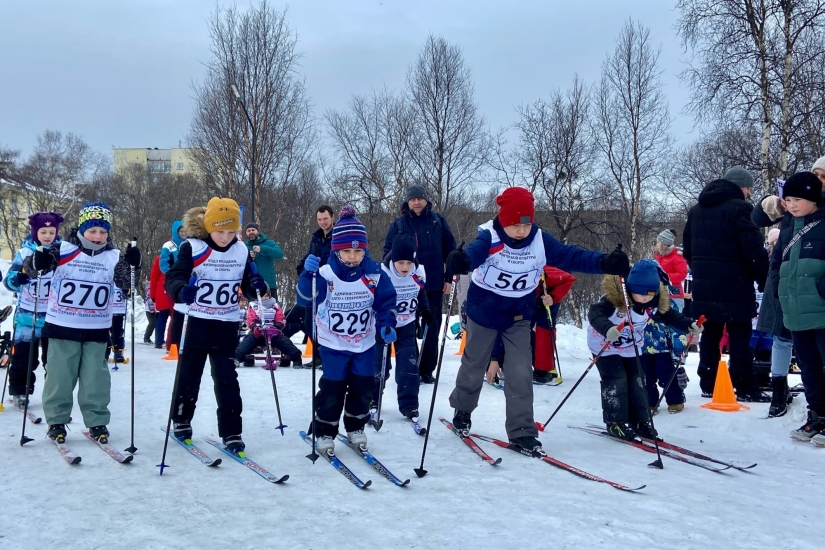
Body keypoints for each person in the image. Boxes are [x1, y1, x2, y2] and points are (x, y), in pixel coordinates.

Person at [445, 186, 630, 451]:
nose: (521, 231)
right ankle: (462, 410)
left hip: (518, 316)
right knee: (473, 366)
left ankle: (521, 431)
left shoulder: (540, 240)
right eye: (515, 225)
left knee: (521, 373)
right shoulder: (490, 236)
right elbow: (473, 254)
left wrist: (605, 263)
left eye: (526, 224)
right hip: (483, 313)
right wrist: (462, 261)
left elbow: (572, 256)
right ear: (504, 221)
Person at [32, 202, 141, 444]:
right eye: (93, 230)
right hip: (62, 326)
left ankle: (97, 421)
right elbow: (35, 269)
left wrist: (134, 264)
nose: (98, 236)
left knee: (96, 380)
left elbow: (128, 283)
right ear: (82, 229)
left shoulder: (113, 257)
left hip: (97, 328)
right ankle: (57, 421)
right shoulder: (63, 249)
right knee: (60, 377)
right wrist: (36, 261)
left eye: (103, 231)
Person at [165, 198, 267, 454]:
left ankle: (232, 431)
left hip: (226, 324)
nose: (225, 237)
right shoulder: (193, 247)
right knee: (189, 376)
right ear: (209, 227)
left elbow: (251, 287)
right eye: (220, 231)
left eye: (231, 232)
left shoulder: (241, 250)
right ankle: (181, 419)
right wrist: (180, 290)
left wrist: (258, 285)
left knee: (226, 379)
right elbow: (174, 277)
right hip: (197, 321)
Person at [297, 205, 397, 453]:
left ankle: (355, 426)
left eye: (358, 251)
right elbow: (303, 300)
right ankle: (325, 430)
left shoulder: (375, 274)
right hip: (332, 343)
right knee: (333, 387)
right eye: (346, 251)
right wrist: (306, 276)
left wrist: (386, 324)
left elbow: (387, 303)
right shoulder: (326, 273)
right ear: (336, 250)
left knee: (363, 386)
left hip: (364, 342)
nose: (353, 256)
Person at [683, 167, 771, 402]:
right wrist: (766, 281)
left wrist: (703, 270)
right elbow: (753, 249)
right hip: (736, 283)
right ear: (739, 187)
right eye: (748, 188)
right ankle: (744, 386)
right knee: (740, 335)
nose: (749, 192)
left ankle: (709, 383)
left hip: (705, 284)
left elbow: (688, 250)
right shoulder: (741, 209)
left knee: (710, 335)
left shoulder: (696, 210)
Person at [587, 260, 701, 440]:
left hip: (631, 346)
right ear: (631, 289)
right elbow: (595, 313)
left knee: (638, 381)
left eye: (651, 294)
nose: (647, 299)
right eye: (642, 294)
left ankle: (640, 421)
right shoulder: (614, 298)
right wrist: (607, 328)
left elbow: (669, 316)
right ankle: (615, 422)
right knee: (617, 379)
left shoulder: (653, 301)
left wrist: (689, 325)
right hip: (605, 344)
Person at [771, 172, 825, 444]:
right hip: (795, 309)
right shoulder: (789, 226)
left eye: (797, 199)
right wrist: (779, 287)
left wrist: (820, 290)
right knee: (808, 366)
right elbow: (777, 262)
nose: (791, 204)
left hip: (821, 309)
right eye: (788, 199)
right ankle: (817, 415)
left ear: (814, 200)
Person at [383, 185, 457, 384]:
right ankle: (411, 366)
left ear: (426, 201)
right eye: (413, 199)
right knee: (407, 328)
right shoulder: (398, 224)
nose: (417, 202)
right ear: (407, 202)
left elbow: (451, 250)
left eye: (420, 199)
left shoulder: (437, 221)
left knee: (431, 328)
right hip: (404, 288)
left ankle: (426, 369)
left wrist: (449, 277)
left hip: (432, 285)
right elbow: (387, 253)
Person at [2, 212, 63, 407]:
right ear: (35, 231)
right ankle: (20, 391)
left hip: (52, 315)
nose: (47, 236)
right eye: (43, 231)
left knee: (52, 359)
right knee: (24, 356)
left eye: (51, 232)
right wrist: (18, 279)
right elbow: (9, 281)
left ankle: (52, 394)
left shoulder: (60, 252)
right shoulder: (25, 252)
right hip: (28, 313)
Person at [372, 234, 431, 421]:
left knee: (409, 365)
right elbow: (375, 301)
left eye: (408, 262)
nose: (405, 267)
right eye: (401, 263)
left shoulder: (419, 271)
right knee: (379, 366)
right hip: (383, 326)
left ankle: (409, 405)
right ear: (394, 260)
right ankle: (371, 399)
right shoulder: (382, 274)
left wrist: (426, 310)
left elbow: (420, 292)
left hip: (406, 324)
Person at [756, 228, 795, 418]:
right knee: (784, 338)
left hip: (791, 285)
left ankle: (780, 393)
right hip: (784, 284)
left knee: (785, 339)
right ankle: (779, 391)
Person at [290, 205, 336, 368]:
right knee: (309, 322)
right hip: (314, 286)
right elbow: (310, 255)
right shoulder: (316, 237)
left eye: (325, 218)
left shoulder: (337, 236)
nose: (322, 222)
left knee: (327, 323)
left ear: (332, 217)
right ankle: (318, 355)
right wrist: (302, 269)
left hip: (330, 286)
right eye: (319, 219)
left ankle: (328, 357)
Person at [234, 291, 302, 368]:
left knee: (284, 342)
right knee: (248, 341)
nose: (265, 298)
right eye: (262, 296)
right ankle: (237, 358)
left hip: (273, 333)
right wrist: (255, 326)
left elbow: (280, 318)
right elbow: (250, 318)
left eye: (266, 296)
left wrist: (277, 326)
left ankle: (297, 359)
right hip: (258, 333)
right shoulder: (253, 306)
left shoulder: (275, 306)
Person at [159, 220, 185, 350]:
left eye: (186, 231)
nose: (183, 233)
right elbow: (163, 264)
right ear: (176, 232)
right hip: (173, 283)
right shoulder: (169, 245)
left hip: (187, 282)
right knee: (176, 313)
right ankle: (172, 343)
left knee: (188, 315)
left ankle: (185, 342)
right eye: (181, 231)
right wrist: (171, 275)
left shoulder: (190, 244)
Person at [244, 222, 284, 298]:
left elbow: (280, 254)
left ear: (258, 231)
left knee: (272, 309)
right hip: (252, 284)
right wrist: (248, 258)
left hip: (268, 284)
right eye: (248, 231)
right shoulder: (244, 246)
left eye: (253, 230)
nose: (251, 232)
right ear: (246, 233)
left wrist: (263, 249)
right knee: (254, 310)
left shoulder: (268, 243)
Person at [653, 229, 688, 312]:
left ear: (664, 243)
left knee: (672, 322)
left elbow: (682, 274)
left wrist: (665, 277)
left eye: (658, 242)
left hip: (674, 296)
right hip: (659, 295)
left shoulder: (677, 256)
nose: (656, 244)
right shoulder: (659, 257)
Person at [143, 280, 156, 345]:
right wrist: (152, 309)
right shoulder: (150, 288)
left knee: (156, 323)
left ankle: (158, 338)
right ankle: (146, 337)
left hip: (156, 308)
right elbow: (149, 299)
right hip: (150, 309)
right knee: (152, 323)